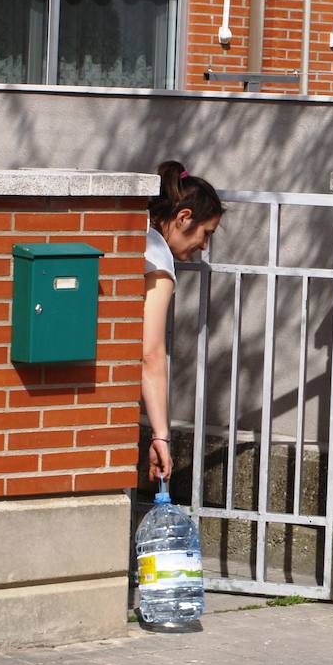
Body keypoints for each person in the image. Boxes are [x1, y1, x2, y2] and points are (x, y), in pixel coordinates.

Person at [142, 161, 223, 483]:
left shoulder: (134, 234)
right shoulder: (157, 260)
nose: (204, 246)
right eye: (206, 234)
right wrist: (160, 435)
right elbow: (150, 352)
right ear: (184, 217)